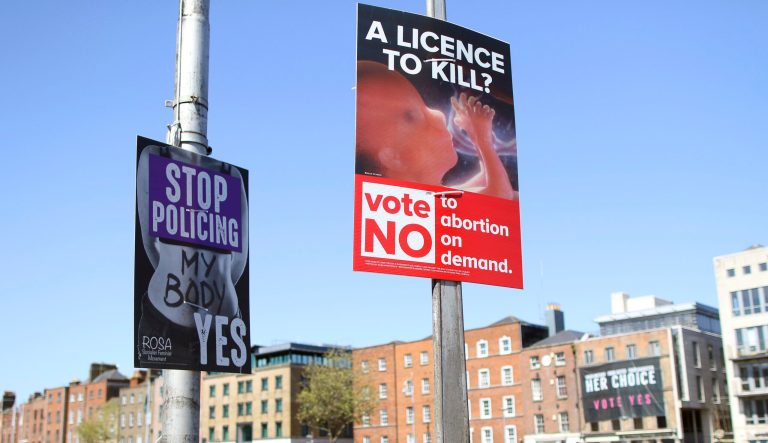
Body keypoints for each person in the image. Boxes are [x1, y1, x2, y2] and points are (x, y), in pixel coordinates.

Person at [355, 60, 518, 200]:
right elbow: (502, 194)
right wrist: (483, 140)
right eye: (411, 116)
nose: (439, 114)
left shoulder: (435, 194)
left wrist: (475, 135)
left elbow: (484, 181)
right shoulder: (423, 203)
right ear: (394, 158)